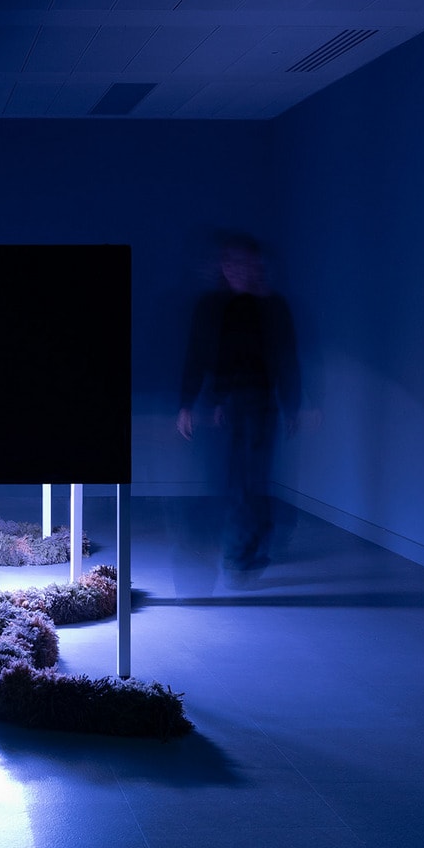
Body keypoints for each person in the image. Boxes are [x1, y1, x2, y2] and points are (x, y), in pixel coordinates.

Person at [177, 233, 301, 585]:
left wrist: (291, 403)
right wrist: (192, 402)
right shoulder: (214, 306)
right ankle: (242, 550)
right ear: (223, 268)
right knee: (241, 478)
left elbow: (284, 358)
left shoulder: (271, 306)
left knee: (248, 477)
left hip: (258, 402)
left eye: (246, 264)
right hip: (232, 405)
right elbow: (200, 354)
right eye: (231, 264)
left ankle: (243, 550)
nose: (239, 271)